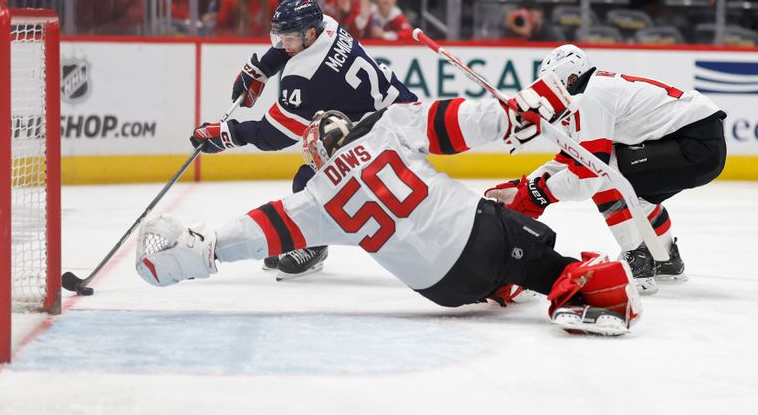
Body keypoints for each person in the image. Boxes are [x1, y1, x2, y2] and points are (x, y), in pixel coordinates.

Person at [150, 87, 643, 336]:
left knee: (495, 251)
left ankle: (502, 281)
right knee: (538, 248)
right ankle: (580, 290)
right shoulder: (387, 124)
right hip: (482, 239)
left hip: (443, 292)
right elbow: (460, 123)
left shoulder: (315, 196)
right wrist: (515, 116)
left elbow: (262, 229)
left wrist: (207, 249)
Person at [191, 0, 417, 279]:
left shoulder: (305, 77)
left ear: (309, 34)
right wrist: (261, 70)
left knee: (311, 177)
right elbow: (287, 51)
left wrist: (228, 134)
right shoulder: (329, 26)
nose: (283, 44)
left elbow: (275, 135)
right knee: (319, 156)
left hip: (390, 138)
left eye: (288, 37)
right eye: (280, 36)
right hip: (406, 117)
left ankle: (314, 245)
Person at [484, 44, 726, 295]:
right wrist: (527, 185)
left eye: (551, 83)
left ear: (571, 78)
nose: (548, 94)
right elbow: (572, 157)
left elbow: (587, 175)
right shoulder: (594, 90)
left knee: (602, 171)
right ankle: (665, 258)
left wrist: (536, 193)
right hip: (700, 142)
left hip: (694, 145)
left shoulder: (589, 99)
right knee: (631, 192)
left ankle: (638, 262)